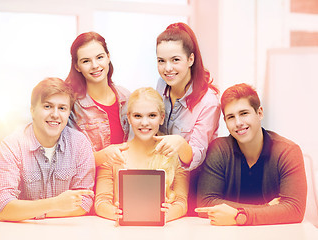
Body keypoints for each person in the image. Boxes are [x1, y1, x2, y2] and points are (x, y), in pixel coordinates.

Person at [195, 83, 307, 226]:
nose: (238, 123)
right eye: (231, 117)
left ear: (259, 113)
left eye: (244, 113)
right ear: (225, 122)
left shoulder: (287, 152)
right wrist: (267, 209)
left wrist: (240, 216)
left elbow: (295, 210)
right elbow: (205, 203)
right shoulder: (219, 149)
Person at [0, 78, 95, 222]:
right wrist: (55, 204)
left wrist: (36, 213)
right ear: (32, 110)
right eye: (47, 106)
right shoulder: (12, 145)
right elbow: (3, 208)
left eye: (62, 108)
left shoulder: (80, 143)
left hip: (66, 230)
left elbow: (84, 203)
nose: (55, 114)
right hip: (21, 232)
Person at [95, 87, 189, 222]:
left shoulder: (175, 154)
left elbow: (181, 202)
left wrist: (167, 214)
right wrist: (117, 213)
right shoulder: (113, 155)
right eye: (137, 116)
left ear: (162, 118)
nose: (144, 123)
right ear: (129, 118)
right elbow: (101, 201)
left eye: (152, 115)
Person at [155, 22, 221, 215]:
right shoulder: (162, 84)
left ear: (190, 59)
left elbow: (197, 157)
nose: (167, 68)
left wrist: (179, 143)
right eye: (161, 61)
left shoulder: (209, 102)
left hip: (195, 184)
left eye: (175, 60)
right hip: (165, 178)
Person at [66, 32, 130, 167]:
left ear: (108, 57)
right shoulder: (72, 107)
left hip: (126, 181)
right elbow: (69, 160)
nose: (94, 65)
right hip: (89, 185)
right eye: (86, 61)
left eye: (99, 57)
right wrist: (102, 156)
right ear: (77, 66)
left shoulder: (127, 97)